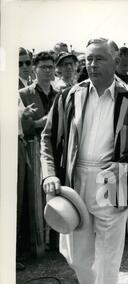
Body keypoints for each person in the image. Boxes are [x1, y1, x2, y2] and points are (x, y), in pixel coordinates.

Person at [40, 37, 128, 284]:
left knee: (108, 262)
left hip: (113, 182)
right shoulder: (69, 96)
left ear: (115, 61)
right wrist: (49, 174)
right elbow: (48, 138)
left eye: (100, 58)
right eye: (88, 59)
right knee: (76, 255)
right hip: (75, 183)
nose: (92, 64)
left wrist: (123, 171)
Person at [19, 51, 58, 256]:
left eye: (50, 67)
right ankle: (36, 241)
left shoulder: (59, 93)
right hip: (32, 152)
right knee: (34, 198)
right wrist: (38, 123)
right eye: (43, 67)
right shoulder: (24, 93)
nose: (47, 71)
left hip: (54, 151)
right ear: (35, 69)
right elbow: (21, 128)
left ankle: (54, 238)